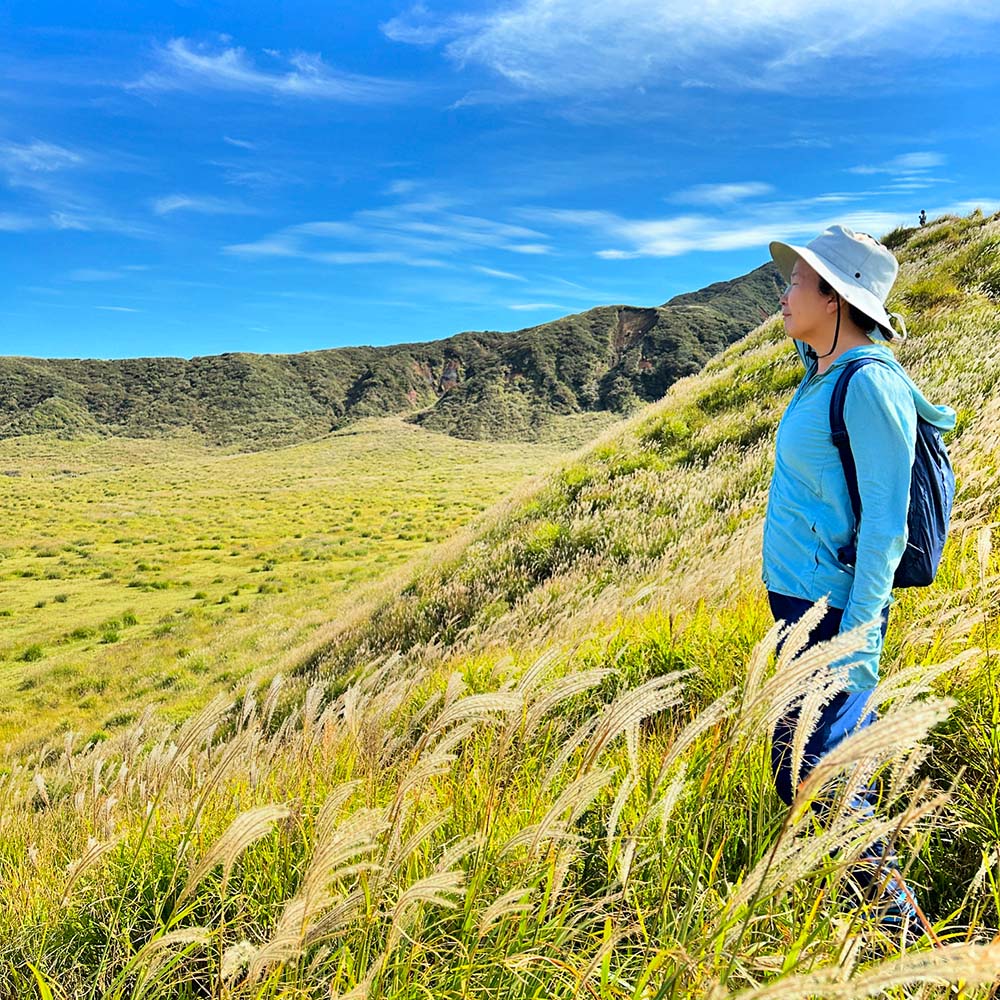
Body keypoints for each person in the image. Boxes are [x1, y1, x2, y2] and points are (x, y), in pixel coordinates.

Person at [762, 224, 955, 943]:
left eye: (797, 281)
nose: (784, 294)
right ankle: (864, 919)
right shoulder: (822, 374)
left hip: (834, 613)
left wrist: (857, 636)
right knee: (809, 767)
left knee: (817, 778)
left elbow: (885, 528)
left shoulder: (870, 383)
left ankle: (905, 945)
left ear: (836, 297)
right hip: (798, 607)